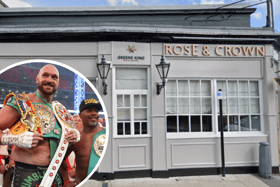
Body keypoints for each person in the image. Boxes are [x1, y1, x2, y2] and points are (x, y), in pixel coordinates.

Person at [0, 64, 79, 187]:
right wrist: (14, 139)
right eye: (45, 75)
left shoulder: (59, 110)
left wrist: (73, 135)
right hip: (25, 172)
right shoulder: (22, 102)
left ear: (58, 82)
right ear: (37, 78)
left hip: (55, 175)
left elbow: (60, 150)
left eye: (54, 77)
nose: (49, 80)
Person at [61, 98, 106, 186]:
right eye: (89, 110)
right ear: (80, 115)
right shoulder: (75, 137)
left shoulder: (106, 134)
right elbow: (60, 158)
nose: (94, 113)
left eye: (96, 111)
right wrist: (66, 180)